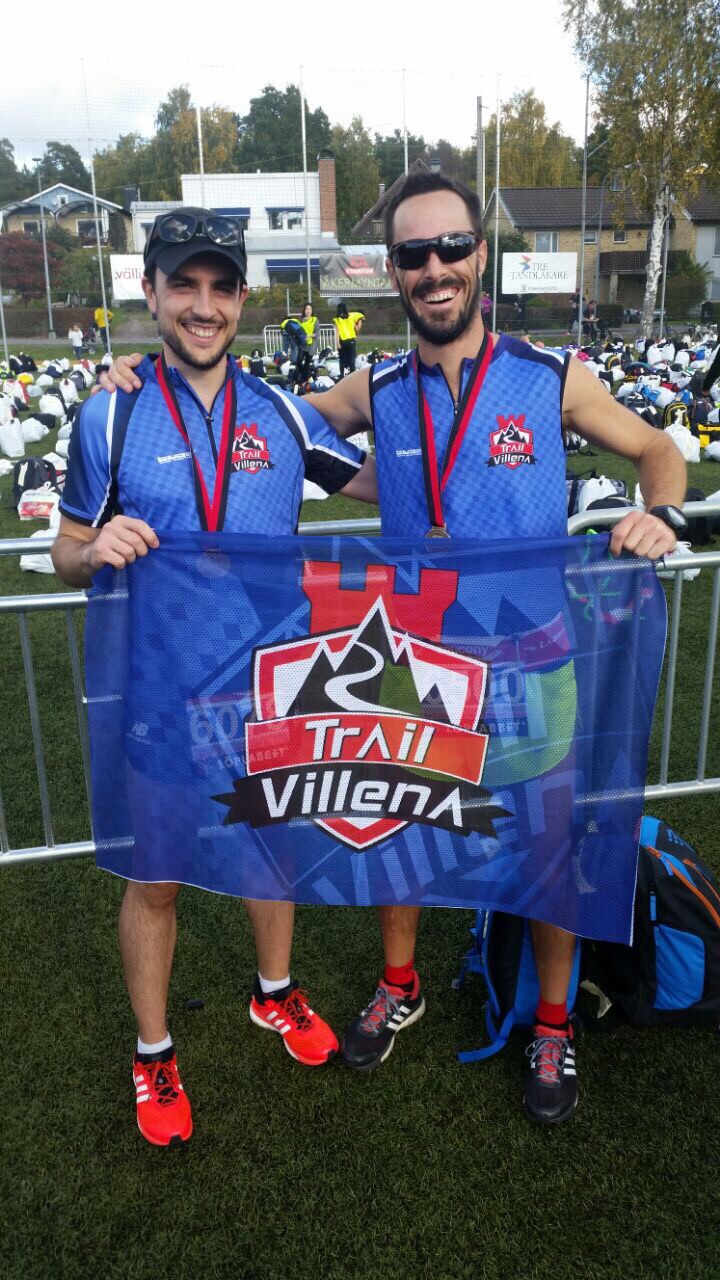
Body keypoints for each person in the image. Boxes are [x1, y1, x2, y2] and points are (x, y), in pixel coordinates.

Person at [103, 174, 686, 1126]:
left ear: (478, 256)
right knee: (404, 832)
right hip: (419, 668)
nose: (435, 269)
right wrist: (140, 384)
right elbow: (262, 417)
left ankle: (551, 1026)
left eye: (450, 247)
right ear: (396, 276)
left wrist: (657, 512)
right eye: (413, 256)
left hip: (534, 662)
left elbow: (661, 451)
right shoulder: (375, 387)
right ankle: (400, 983)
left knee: (546, 852)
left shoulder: (549, 376)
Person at [53, 207, 375, 1149]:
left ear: (242, 299)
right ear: (150, 292)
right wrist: (93, 547)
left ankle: (274, 994)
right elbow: (68, 552)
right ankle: (153, 1052)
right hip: (155, 695)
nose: (203, 306)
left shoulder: (278, 414)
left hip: (267, 694)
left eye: (220, 287)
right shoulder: (108, 413)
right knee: (156, 882)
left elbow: (388, 479)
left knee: (269, 854)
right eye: (183, 285)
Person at [333, 302, 364, 376]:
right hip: (351, 341)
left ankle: (341, 375)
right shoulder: (351, 317)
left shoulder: (337, 319)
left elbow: (337, 332)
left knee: (342, 360)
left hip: (342, 341)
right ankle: (352, 376)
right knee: (351, 360)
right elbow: (359, 320)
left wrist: (337, 343)